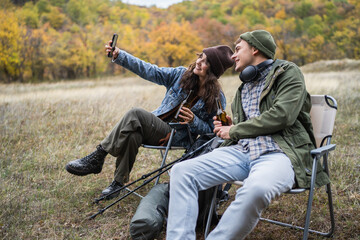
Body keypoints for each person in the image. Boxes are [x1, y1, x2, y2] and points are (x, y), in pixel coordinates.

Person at [166, 30, 330, 239]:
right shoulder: (244, 87)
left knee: (257, 189)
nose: (233, 56)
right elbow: (249, 124)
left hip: (280, 153)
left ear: (255, 49)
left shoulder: (288, 72)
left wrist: (234, 129)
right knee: (182, 171)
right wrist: (234, 126)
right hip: (242, 151)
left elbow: (283, 115)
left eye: (237, 49)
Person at [65, 40, 234, 199]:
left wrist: (193, 121)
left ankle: (98, 156)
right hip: (156, 125)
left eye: (205, 62)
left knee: (136, 113)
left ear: (213, 71)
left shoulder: (217, 98)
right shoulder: (181, 75)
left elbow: (213, 132)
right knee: (133, 133)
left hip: (176, 136)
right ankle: (118, 183)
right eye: (200, 57)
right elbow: (149, 70)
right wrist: (119, 55)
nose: (198, 62)